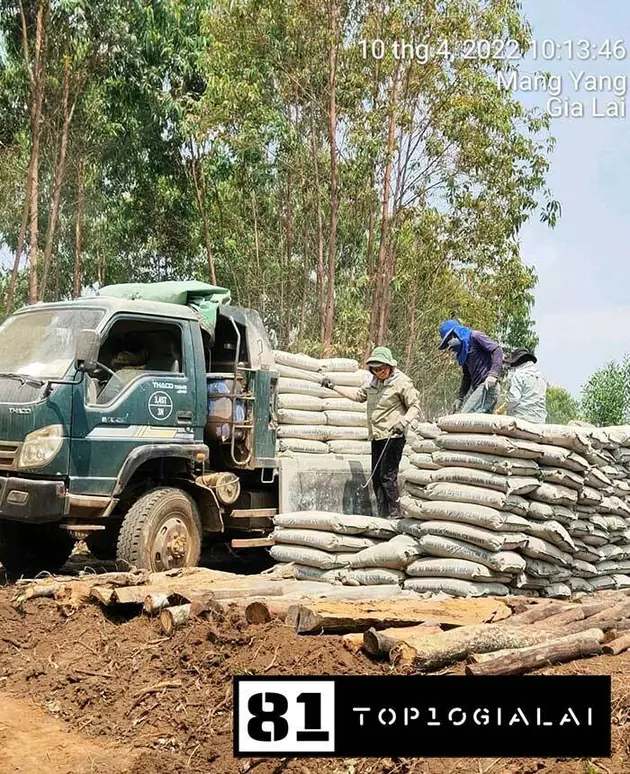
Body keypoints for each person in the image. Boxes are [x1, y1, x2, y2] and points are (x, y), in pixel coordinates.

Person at [321, 346, 420, 519]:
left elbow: (414, 406)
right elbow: (357, 396)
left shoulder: (402, 382)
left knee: (387, 477)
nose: (378, 373)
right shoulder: (373, 383)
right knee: (376, 478)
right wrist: (333, 387)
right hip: (377, 436)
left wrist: (403, 422)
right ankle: (383, 515)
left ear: (390, 366)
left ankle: (395, 515)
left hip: (393, 436)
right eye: (374, 369)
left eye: (381, 369)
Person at [438, 319, 503, 414]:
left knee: (465, 416)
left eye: (449, 340)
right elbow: (467, 377)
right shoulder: (463, 352)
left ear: (456, 333)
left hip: (488, 385)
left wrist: (493, 374)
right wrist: (460, 397)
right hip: (479, 389)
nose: (449, 344)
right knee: (478, 423)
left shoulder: (475, 336)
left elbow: (497, 350)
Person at [504, 348, 548, 423]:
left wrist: (505, 407)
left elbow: (513, 399)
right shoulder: (541, 377)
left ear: (517, 362)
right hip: (540, 420)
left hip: (521, 418)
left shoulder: (519, 374)